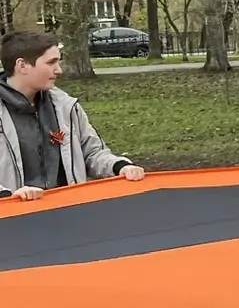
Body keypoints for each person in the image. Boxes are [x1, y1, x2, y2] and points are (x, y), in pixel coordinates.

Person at [0, 30, 145, 199]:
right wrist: (7, 195)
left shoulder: (65, 106)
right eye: (51, 62)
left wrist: (120, 166)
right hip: (13, 212)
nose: (59, 70)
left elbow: (92, 153)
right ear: (22, 65)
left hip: (68, 208)